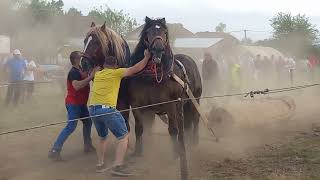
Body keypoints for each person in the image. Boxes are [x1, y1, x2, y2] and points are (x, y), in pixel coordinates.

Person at [89, 50, 150, 176]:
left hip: (93, 110)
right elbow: (136, 68)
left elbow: (93, 72)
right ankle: (118, 166)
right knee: (124, 137)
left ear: (105, 65)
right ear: (116, 66)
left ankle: (100, 164)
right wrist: (146, 57)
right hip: (107, 110)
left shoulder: (98, 74)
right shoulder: (117, 73)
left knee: (102, 137)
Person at [48, 51, 99, 161]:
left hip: (81, 103)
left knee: (88, 122)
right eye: (81, 56)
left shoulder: (80, 69)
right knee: (71, 126)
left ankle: (87, 145)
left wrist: (92, 72)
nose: (84, 57)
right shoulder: (73, 72)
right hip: (74, 103)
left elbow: (87, 75)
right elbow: (77, 86)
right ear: (76, 59)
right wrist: (91, 77)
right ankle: (55, 150)